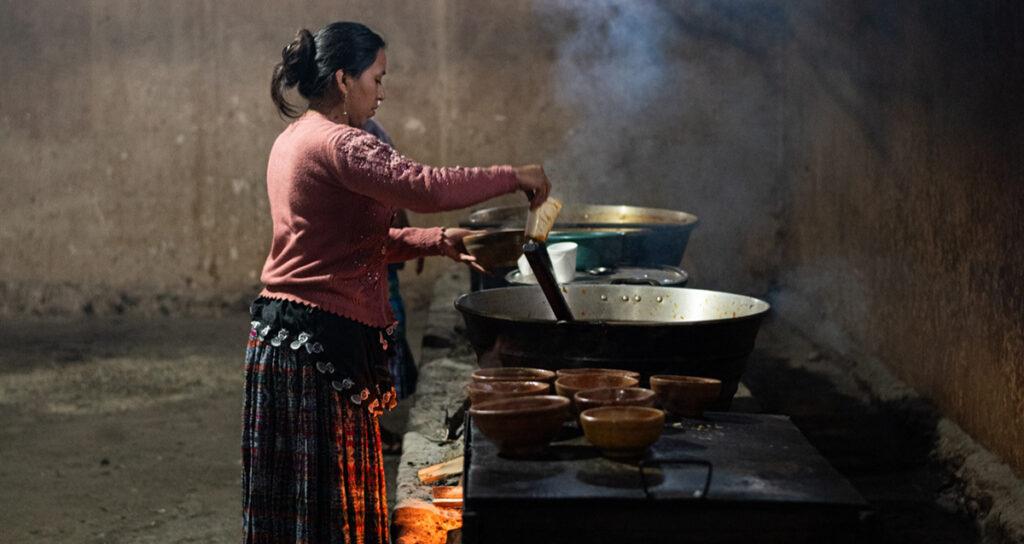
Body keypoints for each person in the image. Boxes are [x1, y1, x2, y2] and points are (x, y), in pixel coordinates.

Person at [243, 21, 550, 544]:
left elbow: (346, 246)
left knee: (310, 512)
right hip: (317, 345)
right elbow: (423, 185)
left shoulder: (295, 137)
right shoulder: (341, 144)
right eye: (377, 78)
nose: (382, 92)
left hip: (289, 341)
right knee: (331, 512)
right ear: (343, 79)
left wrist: (436, 240)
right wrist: (512, 175)